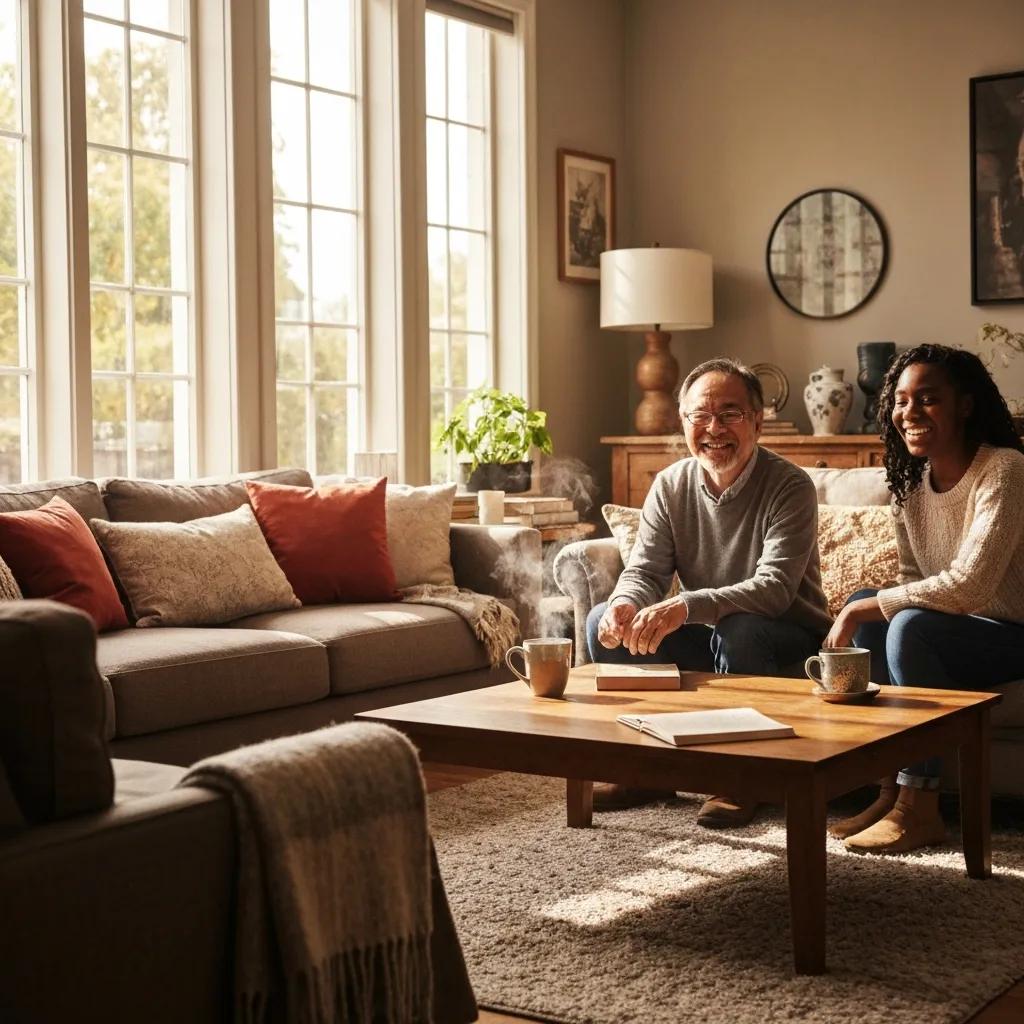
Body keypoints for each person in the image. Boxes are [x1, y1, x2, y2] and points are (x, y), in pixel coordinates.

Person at [588, 358, 831, 825]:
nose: (713, 427)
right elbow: (646, 571)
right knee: (603, 619)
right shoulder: (669, 485)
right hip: (711, 630)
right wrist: (626, 603)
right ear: (684, 422)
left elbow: (775, 589)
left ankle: (744, 779)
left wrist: (687, 605)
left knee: (739, 629)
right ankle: (644, 769)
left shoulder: (790, 485)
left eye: (730, 413)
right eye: (700, 414)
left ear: (758, 422)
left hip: (786, 632)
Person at [826, 344, 1024, 854]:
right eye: (900, 400)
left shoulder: (1004, 469)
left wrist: (861, 609)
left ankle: (920, 807)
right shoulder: (910, 486)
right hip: (960, 633)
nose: (909, 413)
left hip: (1014, 634)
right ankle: (889, 790)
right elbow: (915, 579)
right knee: (877, 606)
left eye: (928, 399)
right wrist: (864, 606)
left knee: (898, 618)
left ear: (965, 404)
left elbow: (970, 585)